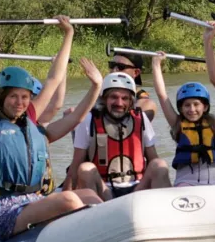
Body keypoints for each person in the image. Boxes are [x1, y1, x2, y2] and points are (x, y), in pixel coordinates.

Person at [0, 15, 104, 241]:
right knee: (69, 200)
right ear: (1, 98)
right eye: (13, 96)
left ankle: (108, 239)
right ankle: (88, 241)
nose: (20, 102)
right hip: (5, 209)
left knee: (89, 195)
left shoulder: (31, 120)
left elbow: (54, 78)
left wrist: (68, 34)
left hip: (34, 200)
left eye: (24, 97)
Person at [69, 69, 171, 200]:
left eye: (125, 98)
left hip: (138, 188)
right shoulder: (89, 120)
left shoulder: (141, 119)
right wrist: (67, 193)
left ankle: (168, 207)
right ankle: (95, 212)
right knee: (85, 168)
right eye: (114, 97)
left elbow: (153, 158)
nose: (119, 103)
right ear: (104, 99)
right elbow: (76, 163)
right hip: (104, 190)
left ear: (131, 101)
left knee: (159, 164)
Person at [150, 51, 215, 186]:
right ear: (181, 109)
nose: (192, 109)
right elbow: (162, 95)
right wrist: (156, 64)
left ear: (205, 107)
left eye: (196, 104)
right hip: (185, 183)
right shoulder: (177, 123)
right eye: (187, 105)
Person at [107, 52, 158, 121]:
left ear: (136, 72)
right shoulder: (100, 93)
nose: (114, 70)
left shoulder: (145, 103)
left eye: (121, 67)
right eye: (112, 65)